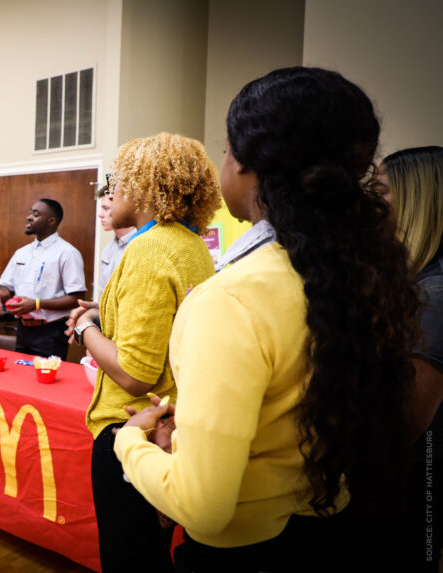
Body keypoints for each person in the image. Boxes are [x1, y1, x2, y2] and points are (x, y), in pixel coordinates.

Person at [112, 67, 420, 571]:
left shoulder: (233, 300)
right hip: (330, 529)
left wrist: (133, 440)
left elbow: (203, 508)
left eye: (228, 150)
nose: (223, 164)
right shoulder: (362, 275)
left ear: (251, 167)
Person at [66, 133, 221, 570]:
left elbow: (135, 373)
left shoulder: (149, 249)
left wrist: (86, 327)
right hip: (172, 426)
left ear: (147, 185)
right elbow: (169, 319)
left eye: (119, 179)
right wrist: (108, 308)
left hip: (131, 429)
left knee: (129, 560)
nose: (111, 190)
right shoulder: (190, 244)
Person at [373, 145, 443, 571]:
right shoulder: (413, 284)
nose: (370, 204)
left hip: (414, 482)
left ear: (415, 202)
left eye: (380, 192)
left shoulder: (433, 296)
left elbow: (407, 420)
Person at [0, 198, 86, 358]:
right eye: (30, 213)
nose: (29, 217)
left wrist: (37, 304)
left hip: (51, 332)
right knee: (20, 378)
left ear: (51, 221)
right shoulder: (21, 252)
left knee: (46, 380)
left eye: (36, 214)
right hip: (23, 329)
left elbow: (77, 298)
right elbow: (8, 288)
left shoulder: (67, 253)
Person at [93, 184, 136, 300]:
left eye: (106, 209)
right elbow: (104, 296)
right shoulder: (107, 251)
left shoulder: (139, 245)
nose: (100, 215)